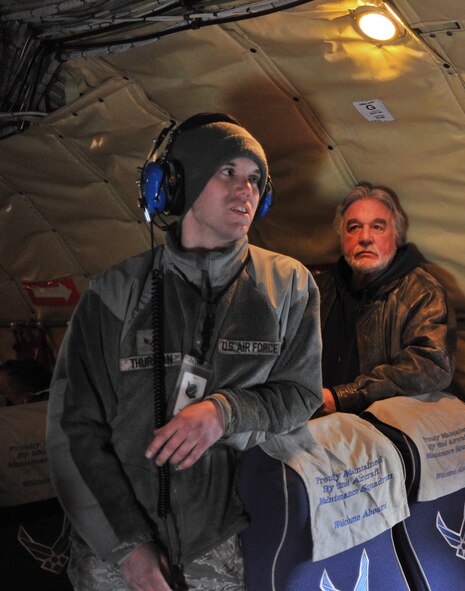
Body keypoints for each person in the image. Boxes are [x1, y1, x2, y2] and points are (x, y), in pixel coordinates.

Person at [46, 113, 323, 590]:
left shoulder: (289, 285)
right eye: (227, 173)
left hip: (226, 546)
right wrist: (127, 547)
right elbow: (74, 430)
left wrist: (225, 412)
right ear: (175, 185)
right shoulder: (114, 293)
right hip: (112, 552)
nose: (246, 191)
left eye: (255, 179)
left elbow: (301, 394)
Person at [314, 182, 456, 415]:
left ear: (396, 236)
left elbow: (431, 365)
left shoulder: (422, 292)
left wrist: (342, 398)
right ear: (341, 238)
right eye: (354, 227)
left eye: (378, 227)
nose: (365, 238)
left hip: (383, 427)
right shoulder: (319, 290)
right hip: (313, 419)